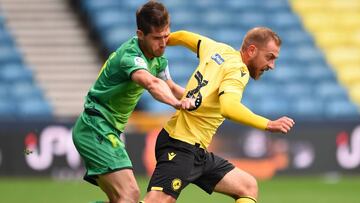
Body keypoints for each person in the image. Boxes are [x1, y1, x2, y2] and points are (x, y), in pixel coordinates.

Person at [141, 27, 295, 203]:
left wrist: (157, 44)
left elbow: (183, 36)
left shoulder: (216, 48)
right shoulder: (238, 71)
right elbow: (229, 108)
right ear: (252, 50)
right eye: (270, 57)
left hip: (194, 150)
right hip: (180, 145)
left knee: (247, 186)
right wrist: (268, 124)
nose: (272, 66)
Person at [72, 1, 193, 203]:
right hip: (95, 127)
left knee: (120, 199)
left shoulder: (158, 57)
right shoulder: (130, 57)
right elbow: (152, 83)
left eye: (166, 36)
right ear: (140, 35)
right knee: (130, 194)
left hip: (106, 129)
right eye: (156, 38)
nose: (163, 43)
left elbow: (170, 85)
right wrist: (176, 104)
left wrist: (196, 99)